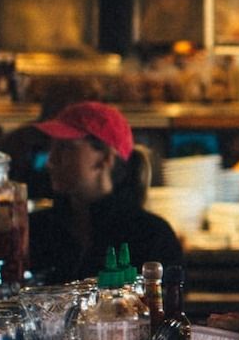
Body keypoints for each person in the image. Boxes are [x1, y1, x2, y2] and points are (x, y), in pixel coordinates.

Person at [27, 101, 182, 283]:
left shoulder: (151, 236)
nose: (50, 161)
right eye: (51, 148)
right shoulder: (38, 230)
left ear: (105, 158)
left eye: (65, 148)